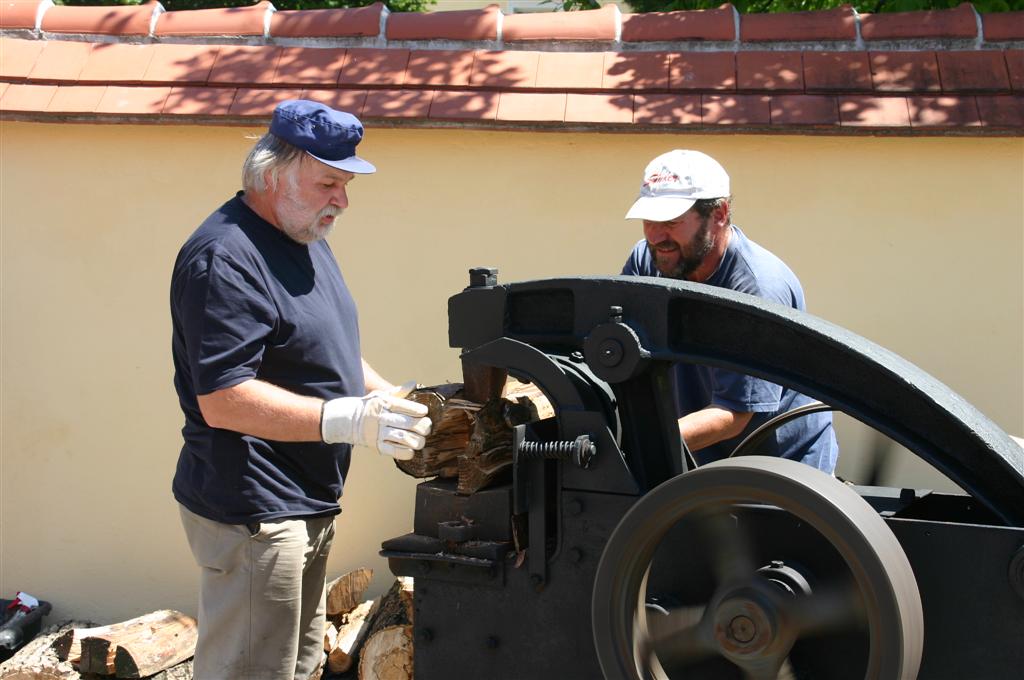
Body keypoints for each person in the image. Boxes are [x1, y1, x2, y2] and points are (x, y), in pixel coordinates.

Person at [170, 99, 432, 680]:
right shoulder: (226, 259)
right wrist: (349, 421)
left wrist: (385, 397)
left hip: (304, 497)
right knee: (251, 671)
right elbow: (224, 399)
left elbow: (324, 343)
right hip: (254, 510)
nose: (342, 200)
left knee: (298, 664)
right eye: (328, 183)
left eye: (345, 183)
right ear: (271, 176)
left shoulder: (302, 232)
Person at [621, 149, 838, 473]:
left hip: (781, 474)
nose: (656, 235)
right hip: (705, 462)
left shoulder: (756, 288)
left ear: (719, 213)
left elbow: (733, 415)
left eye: (670, 221)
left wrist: (638, 445)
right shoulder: (649, 260)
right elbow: (621, 352)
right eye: (649, 220)